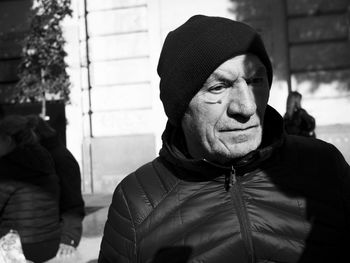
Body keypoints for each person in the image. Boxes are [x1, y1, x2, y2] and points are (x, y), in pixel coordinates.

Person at [98, 15, 350, 263]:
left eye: (255, 81)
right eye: (218, 87)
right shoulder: (137, 201)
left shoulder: (324, 166)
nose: (247, 107)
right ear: (180, 106)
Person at [0, 115, 61, 262]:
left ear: (8, 140)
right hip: (50, 241)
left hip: (20, 245)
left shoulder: (7, 167)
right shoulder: (44, 159)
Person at [32, 116, 85, 258]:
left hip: (57, 242)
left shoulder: (59, 158)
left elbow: (72, 203)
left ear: (35, 135)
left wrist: (69, 237)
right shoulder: (42, 156)